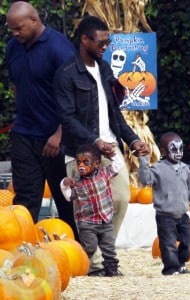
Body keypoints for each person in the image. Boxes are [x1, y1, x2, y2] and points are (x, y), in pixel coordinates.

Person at [53, 15, 150, 275]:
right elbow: (67, 118)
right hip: (83, 153)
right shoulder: (66, 74)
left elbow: (115, 113)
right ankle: (95, 264)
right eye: (101, 42)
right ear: (84, 40)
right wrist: (95, 141)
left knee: (120, 199)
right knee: (85, 210)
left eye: (107, 42)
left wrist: (133, 140)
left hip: (110, 147)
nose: (106, 46)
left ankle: (104, 251)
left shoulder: (105, 69)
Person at [5, 1, 79, 241]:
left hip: (56, 137)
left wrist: (59, 134)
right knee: (24, 200)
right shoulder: (13, 47)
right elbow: (18, 84)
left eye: (18, 28)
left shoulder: (60, 49)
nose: (14, 34)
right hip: (24, 133)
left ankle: (75, 250)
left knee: (65, 197)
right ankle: (22, 249)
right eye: (11, 30)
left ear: (34, 21)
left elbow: (75, 96)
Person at [138, 132, 190, 275]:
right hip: (165, 216)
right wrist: (144, 160)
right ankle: (170, 268)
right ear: (163, 151)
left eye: (181, 149)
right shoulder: (158, 169)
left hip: (183, 214)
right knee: (168, 244)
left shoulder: (185, 168)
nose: (179, 153)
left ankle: (181, 263)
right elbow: (145, 180)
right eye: (174, 149)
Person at [60, 144, 123, 276]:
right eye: (78, 162)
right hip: (87, 223)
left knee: (109, 247)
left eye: (86, 162)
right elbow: (69, 197)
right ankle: (82, 267)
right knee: (89, 247)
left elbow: (118, 165)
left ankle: (111, 269)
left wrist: (113, 155)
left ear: (97, 164)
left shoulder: (104, 173)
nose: (81, 166)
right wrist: (64, 185)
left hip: (106, 220)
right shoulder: (77, 183)